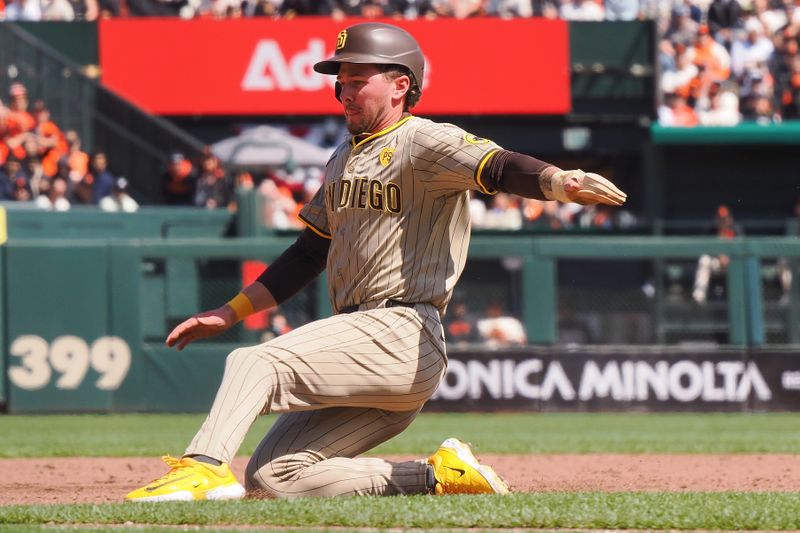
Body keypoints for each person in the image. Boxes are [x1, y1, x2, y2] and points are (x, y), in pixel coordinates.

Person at [125, 22, 626, 503]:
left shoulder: (423, 140)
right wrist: (228, 311)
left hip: (404, 329)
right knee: (274, 477)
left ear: (400, 85)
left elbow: (496, 165)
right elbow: (309, 252)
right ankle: (440, 477)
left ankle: (203, 468)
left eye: (358, 81)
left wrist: (557, 181)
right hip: (364, 341)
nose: (344, 92)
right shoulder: (341, 156)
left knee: (255, 360)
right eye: (340, 83)